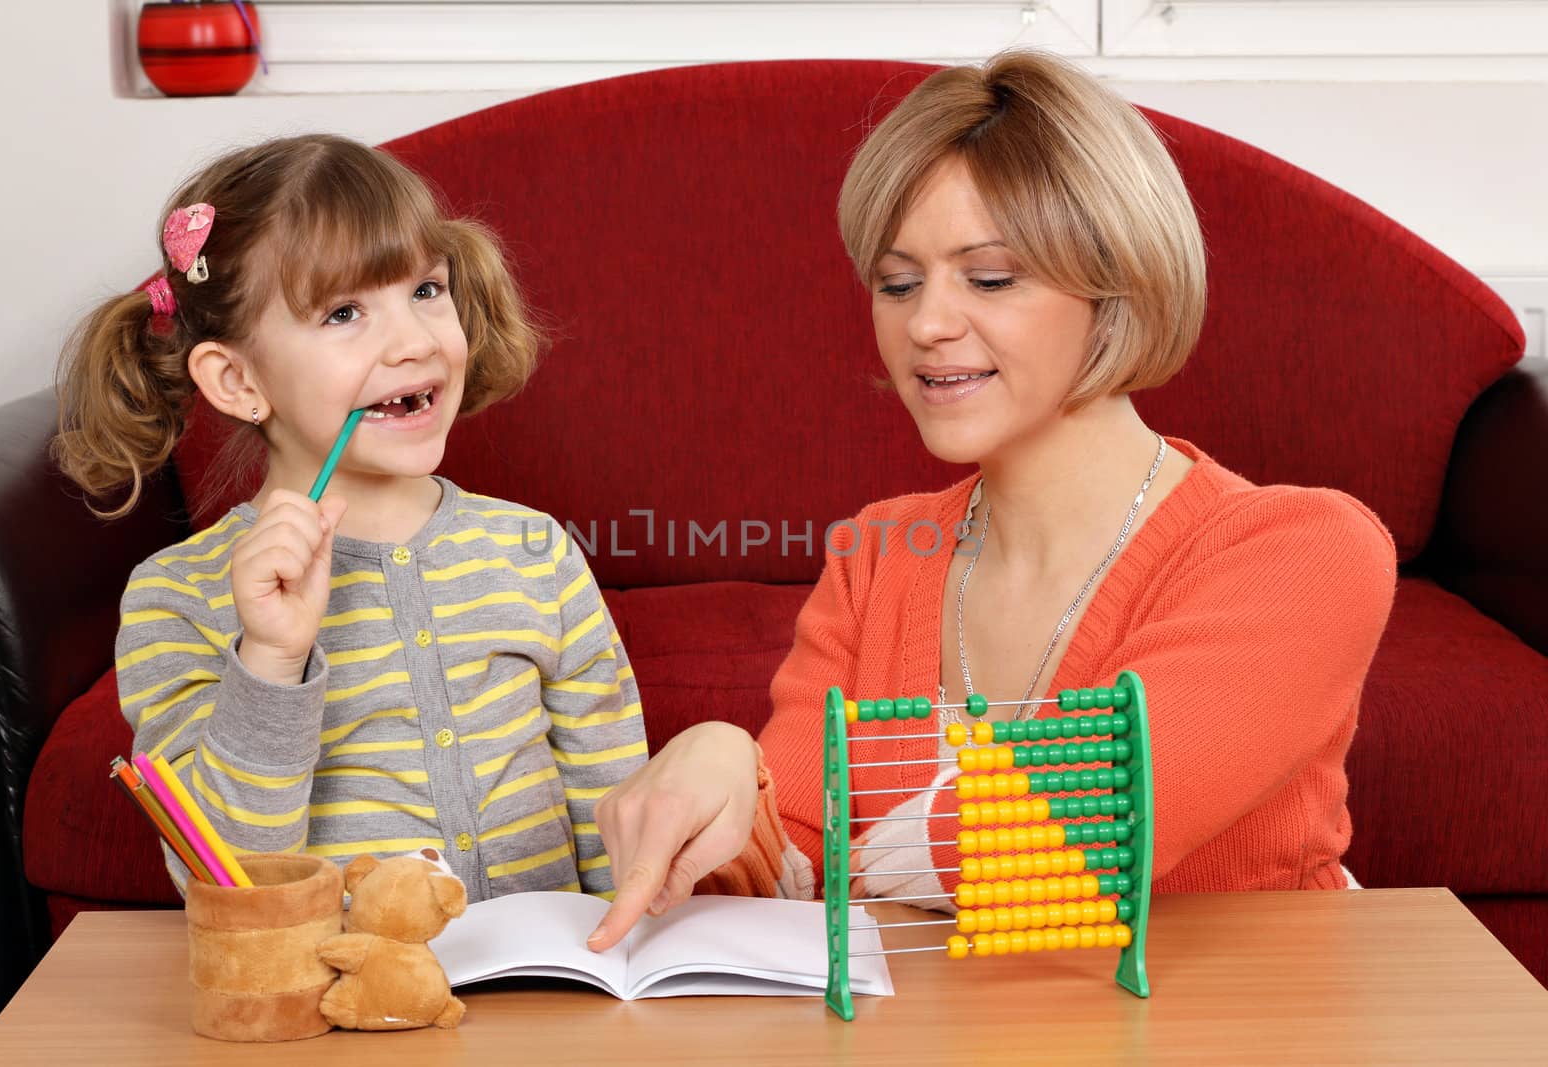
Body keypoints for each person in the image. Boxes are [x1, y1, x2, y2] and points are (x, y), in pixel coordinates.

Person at [592, 48, 1398, 942]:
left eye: (990, 277)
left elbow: (1096, 824)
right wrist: (723, 765)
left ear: (1118, 286)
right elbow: (791, 856)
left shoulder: (1304, 547)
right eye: (897, 283)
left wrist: (858, 859)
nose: (926, 324)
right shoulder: (879, 553)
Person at [53, 133, 758, 924]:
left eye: (427, 290)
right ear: (239, 379)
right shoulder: (176, 597)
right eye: (346, 312)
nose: (416, 340)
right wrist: (272, 661)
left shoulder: (535, 552)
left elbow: (614, 824)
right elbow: (221, 885)